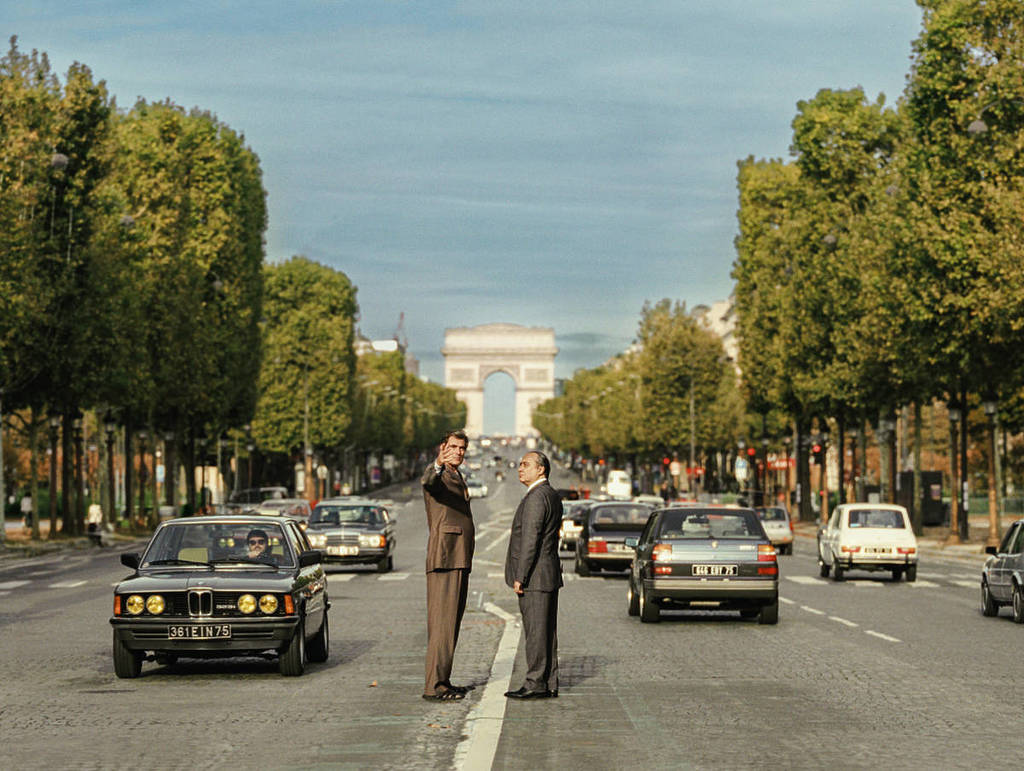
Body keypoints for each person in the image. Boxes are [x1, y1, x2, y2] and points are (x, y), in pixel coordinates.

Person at [421, 429, 475, 701]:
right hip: (446, 556)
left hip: (456, 556)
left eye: (462, 448)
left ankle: (443, 680)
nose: (459, 452)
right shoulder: (440, 474)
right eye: (453, 446)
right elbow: (429, 481)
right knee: (442, 624)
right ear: (442, 448)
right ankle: (434, 686)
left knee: (449, 624)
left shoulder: (456, 474)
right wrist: (438, 465)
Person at [504, 450, 563, 699]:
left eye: (526, 464)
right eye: (520, 464)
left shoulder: (536, 498)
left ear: (541, 469)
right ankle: (548, 682)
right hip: (546, 574)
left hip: (536, 577)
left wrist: (521, 576)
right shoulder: (550, 494)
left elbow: (530, 540)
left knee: (536, 633)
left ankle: (535, 683)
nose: (520, 468)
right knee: (547, 633)